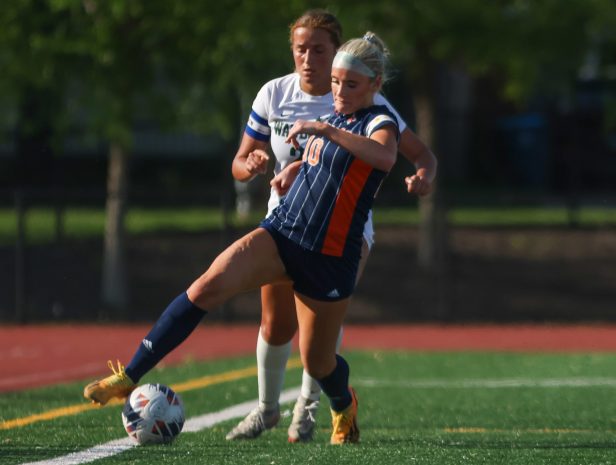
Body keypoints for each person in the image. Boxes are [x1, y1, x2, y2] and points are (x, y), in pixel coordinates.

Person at [84, 30, 416, 445]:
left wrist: (326, 133)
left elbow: (384, 156)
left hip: (332, 254)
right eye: (335, 82)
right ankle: (129, 374)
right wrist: (294, 170)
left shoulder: (378, 120)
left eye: (350, 84)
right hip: (284, 232)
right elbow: (321, 163)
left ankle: (343, 405)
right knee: (208, 285)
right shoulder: (331, 118)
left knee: (319, 360)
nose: (339, 90)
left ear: (375, 85)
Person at [227, 10, 437, 442]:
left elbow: (418, 153)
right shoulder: (275, 93)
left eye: (319, 50)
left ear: (336, 52)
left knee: (318, 330)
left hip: (345, 229)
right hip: (286, 221)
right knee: (275, 325)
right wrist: (251, 165)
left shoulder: (361, 96)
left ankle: (306, 411)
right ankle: (266, 410)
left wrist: (423, 177)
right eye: (300, 49)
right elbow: (239, 162)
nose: (309, 58)